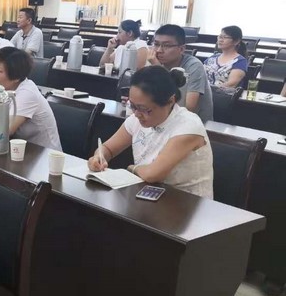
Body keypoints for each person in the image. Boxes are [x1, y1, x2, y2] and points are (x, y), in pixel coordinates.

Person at [88, 66, 213, 198]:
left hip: (187, 202)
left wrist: (132, 168)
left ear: (170, 101)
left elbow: (153, 174)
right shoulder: (136, 119)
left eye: (144, 109)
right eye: (133, 106)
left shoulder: (188, 125)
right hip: (147, 194)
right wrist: (99, 157)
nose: (137, 114)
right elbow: (108, 148)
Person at [0, 47, 61, 151]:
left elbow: (6, 130)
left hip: (43, 155)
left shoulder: (28, 93)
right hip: (14, 149)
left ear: (16, 77)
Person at [147, 23, 213, 123]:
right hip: (164, 120)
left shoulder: (194, 66)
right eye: (156, 44)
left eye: (166, 45)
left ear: (181, 49)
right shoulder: (154, 62)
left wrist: (159, 69)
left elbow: (189, 108)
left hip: (192, 124)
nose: (159, 50)